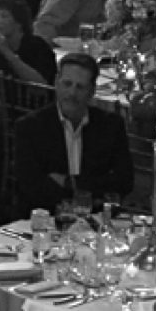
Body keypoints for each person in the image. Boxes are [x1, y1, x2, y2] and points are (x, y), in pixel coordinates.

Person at [11, 52, 137, 218]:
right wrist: (92, 189)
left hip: (97, 222)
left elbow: (124, 182)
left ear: (92, 91)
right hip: (47, 222)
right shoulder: (30, 126)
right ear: (56, 83)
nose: (71, 93)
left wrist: (68, 183)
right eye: (67, 84)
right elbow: (30, 186)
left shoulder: (110, 125)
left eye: (80, 87)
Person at [0, 0, 57, 96]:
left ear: (19, 22)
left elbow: (41, 88)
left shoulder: (38, 46)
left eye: (3, 16)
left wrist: (9, 54)